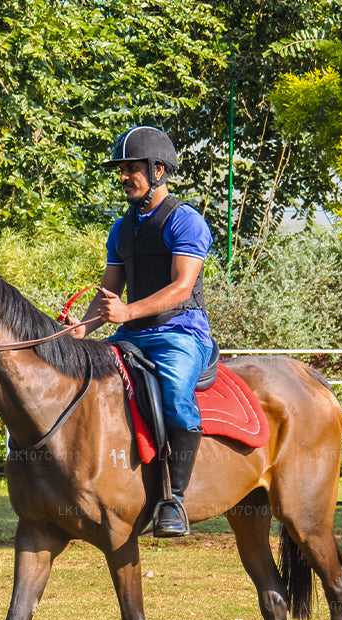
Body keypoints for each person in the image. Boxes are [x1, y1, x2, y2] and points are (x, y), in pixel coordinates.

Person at [69, 126, 215, 537]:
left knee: (173, 395)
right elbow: (108, 293)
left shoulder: (185, 220)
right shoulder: (121, 228)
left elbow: (181, 288)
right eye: (123, 169)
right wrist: (81, 328)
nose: (123, 176)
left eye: (132, 168)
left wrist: (128, 311)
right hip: (130, 335)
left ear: (158, 170)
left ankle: (174, 500)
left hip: (180, 334)